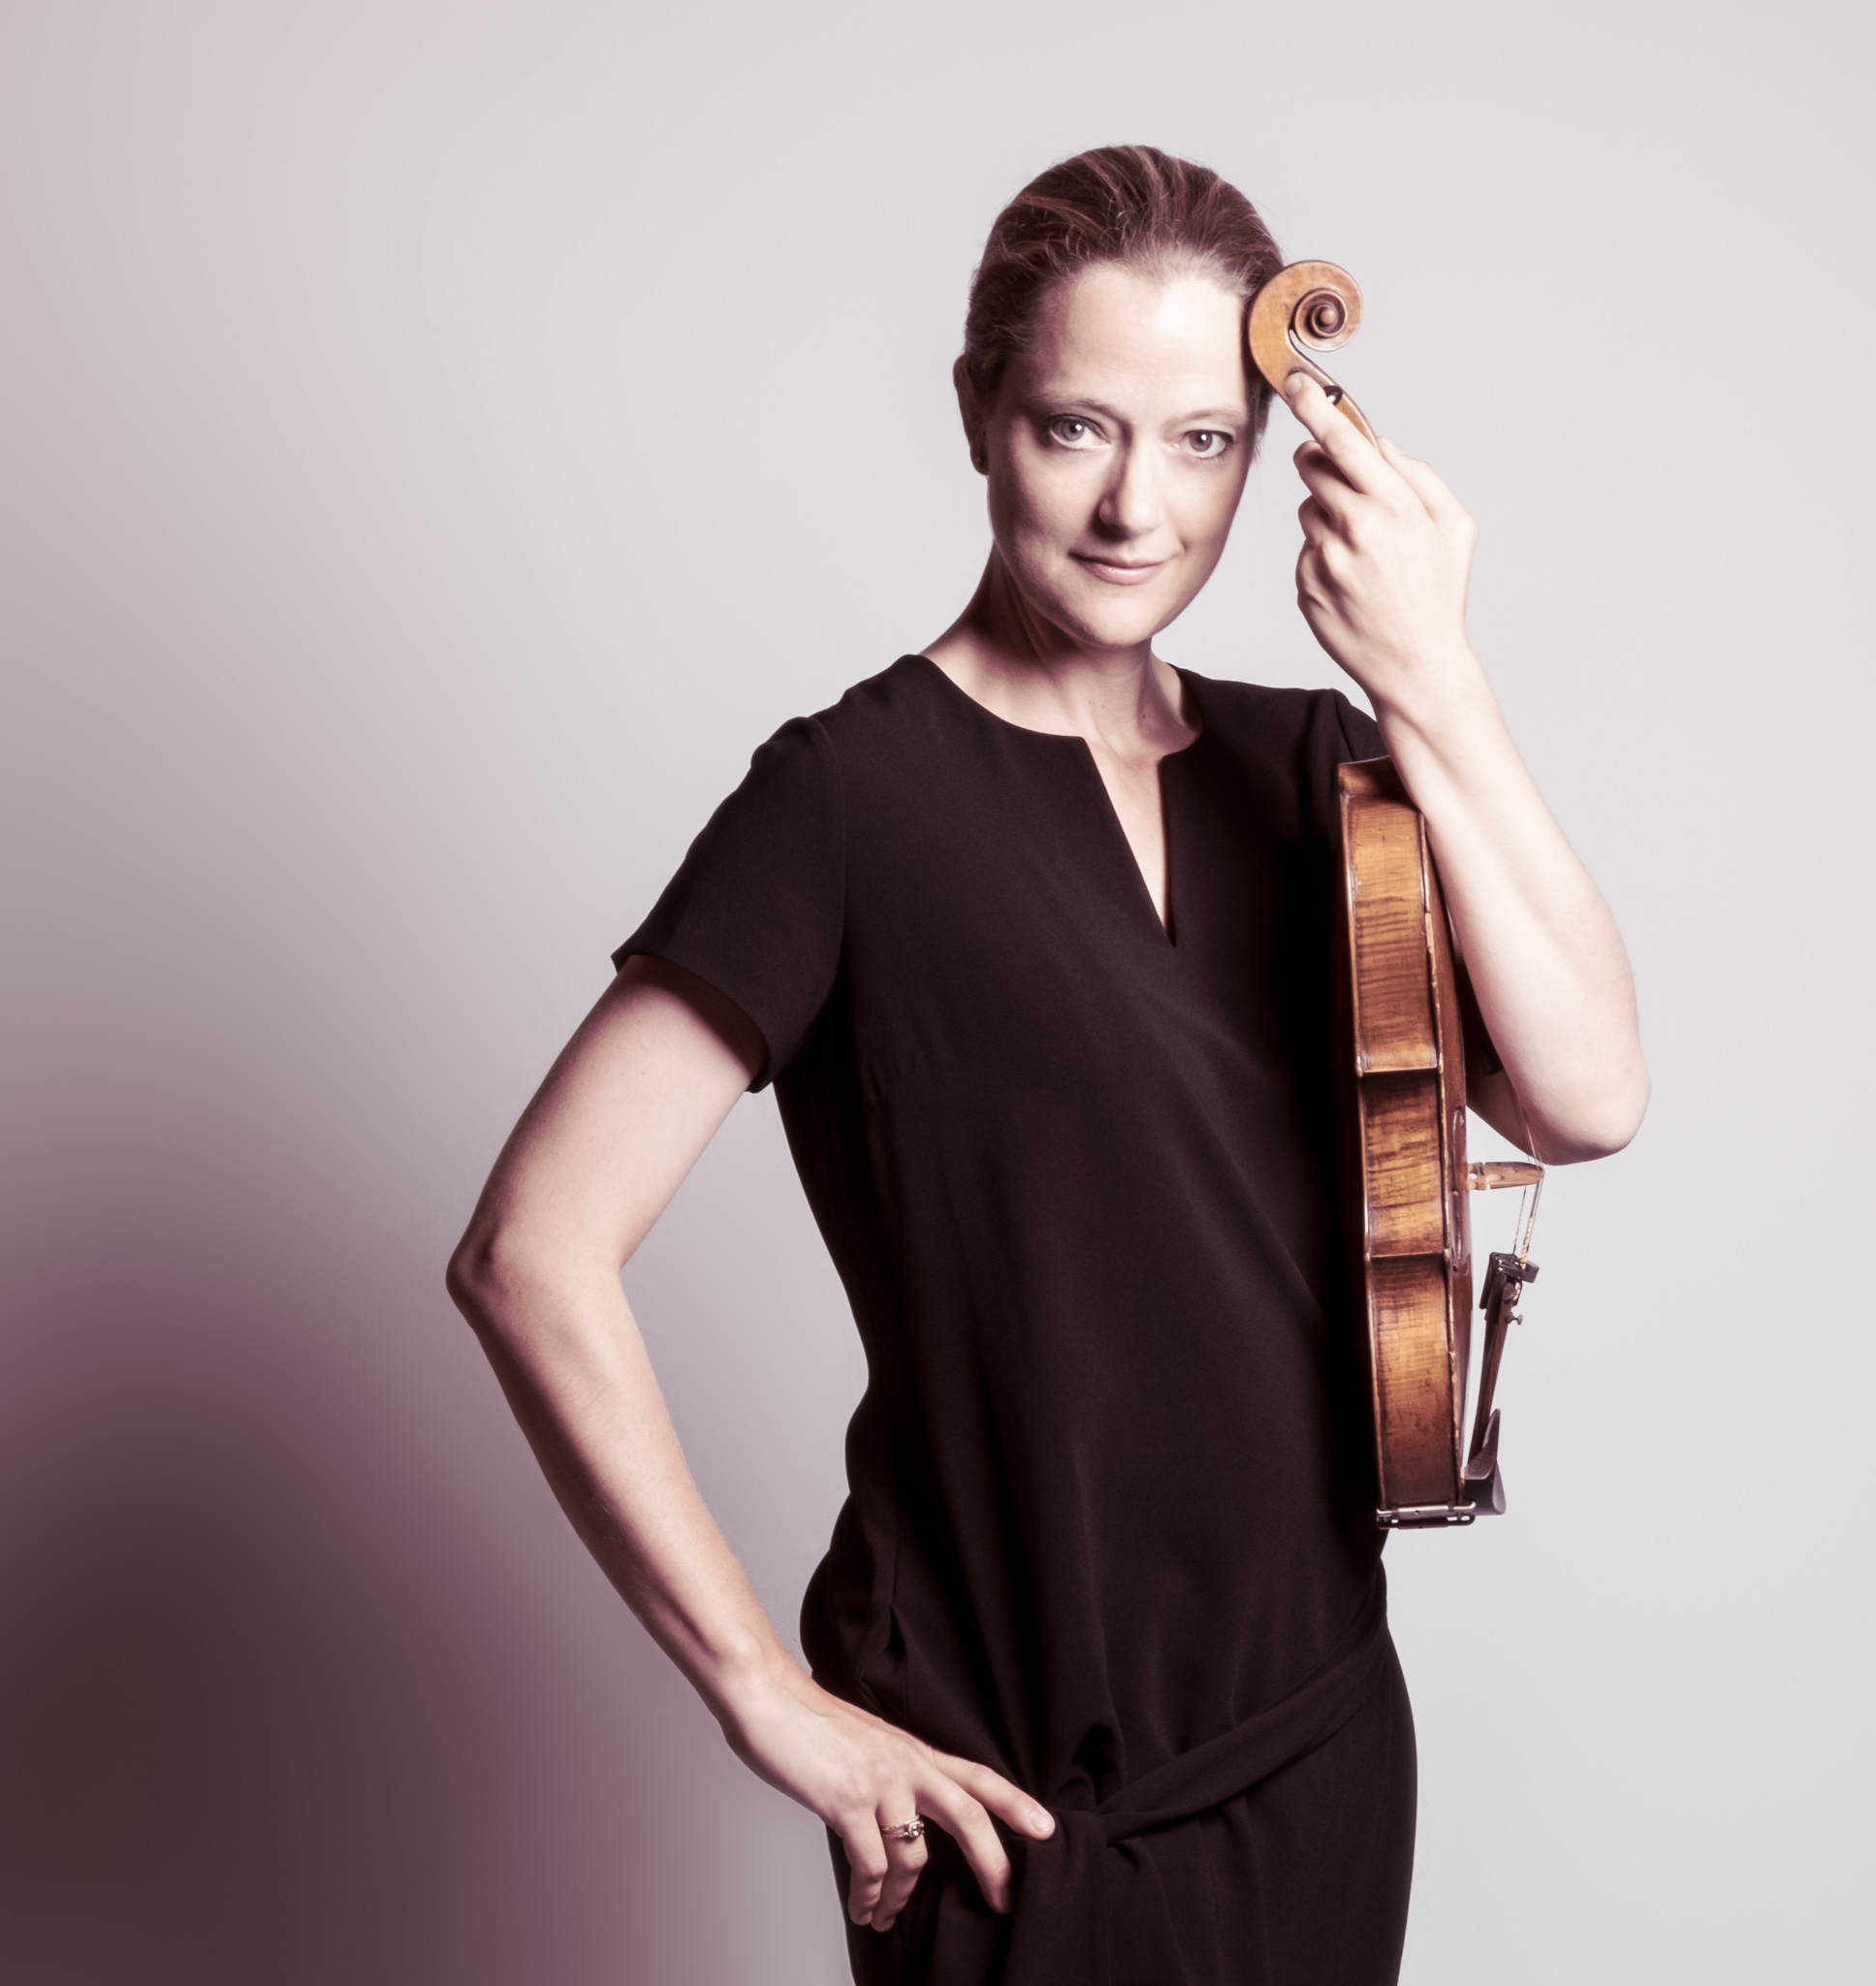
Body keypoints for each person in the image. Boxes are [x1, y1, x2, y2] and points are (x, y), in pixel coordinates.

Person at [446, 144, 1648, 1986]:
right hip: (1005, 1796)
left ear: (1269, 456)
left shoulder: (1325, 773)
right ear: (978, 415)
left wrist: (1436, 680)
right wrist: (766, 1696)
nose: (1134, 508)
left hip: (1320, 1746)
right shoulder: (844, 798)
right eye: (1077, 427)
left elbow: (1586, 1096)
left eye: (1203, 442)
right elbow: (528, 1252)